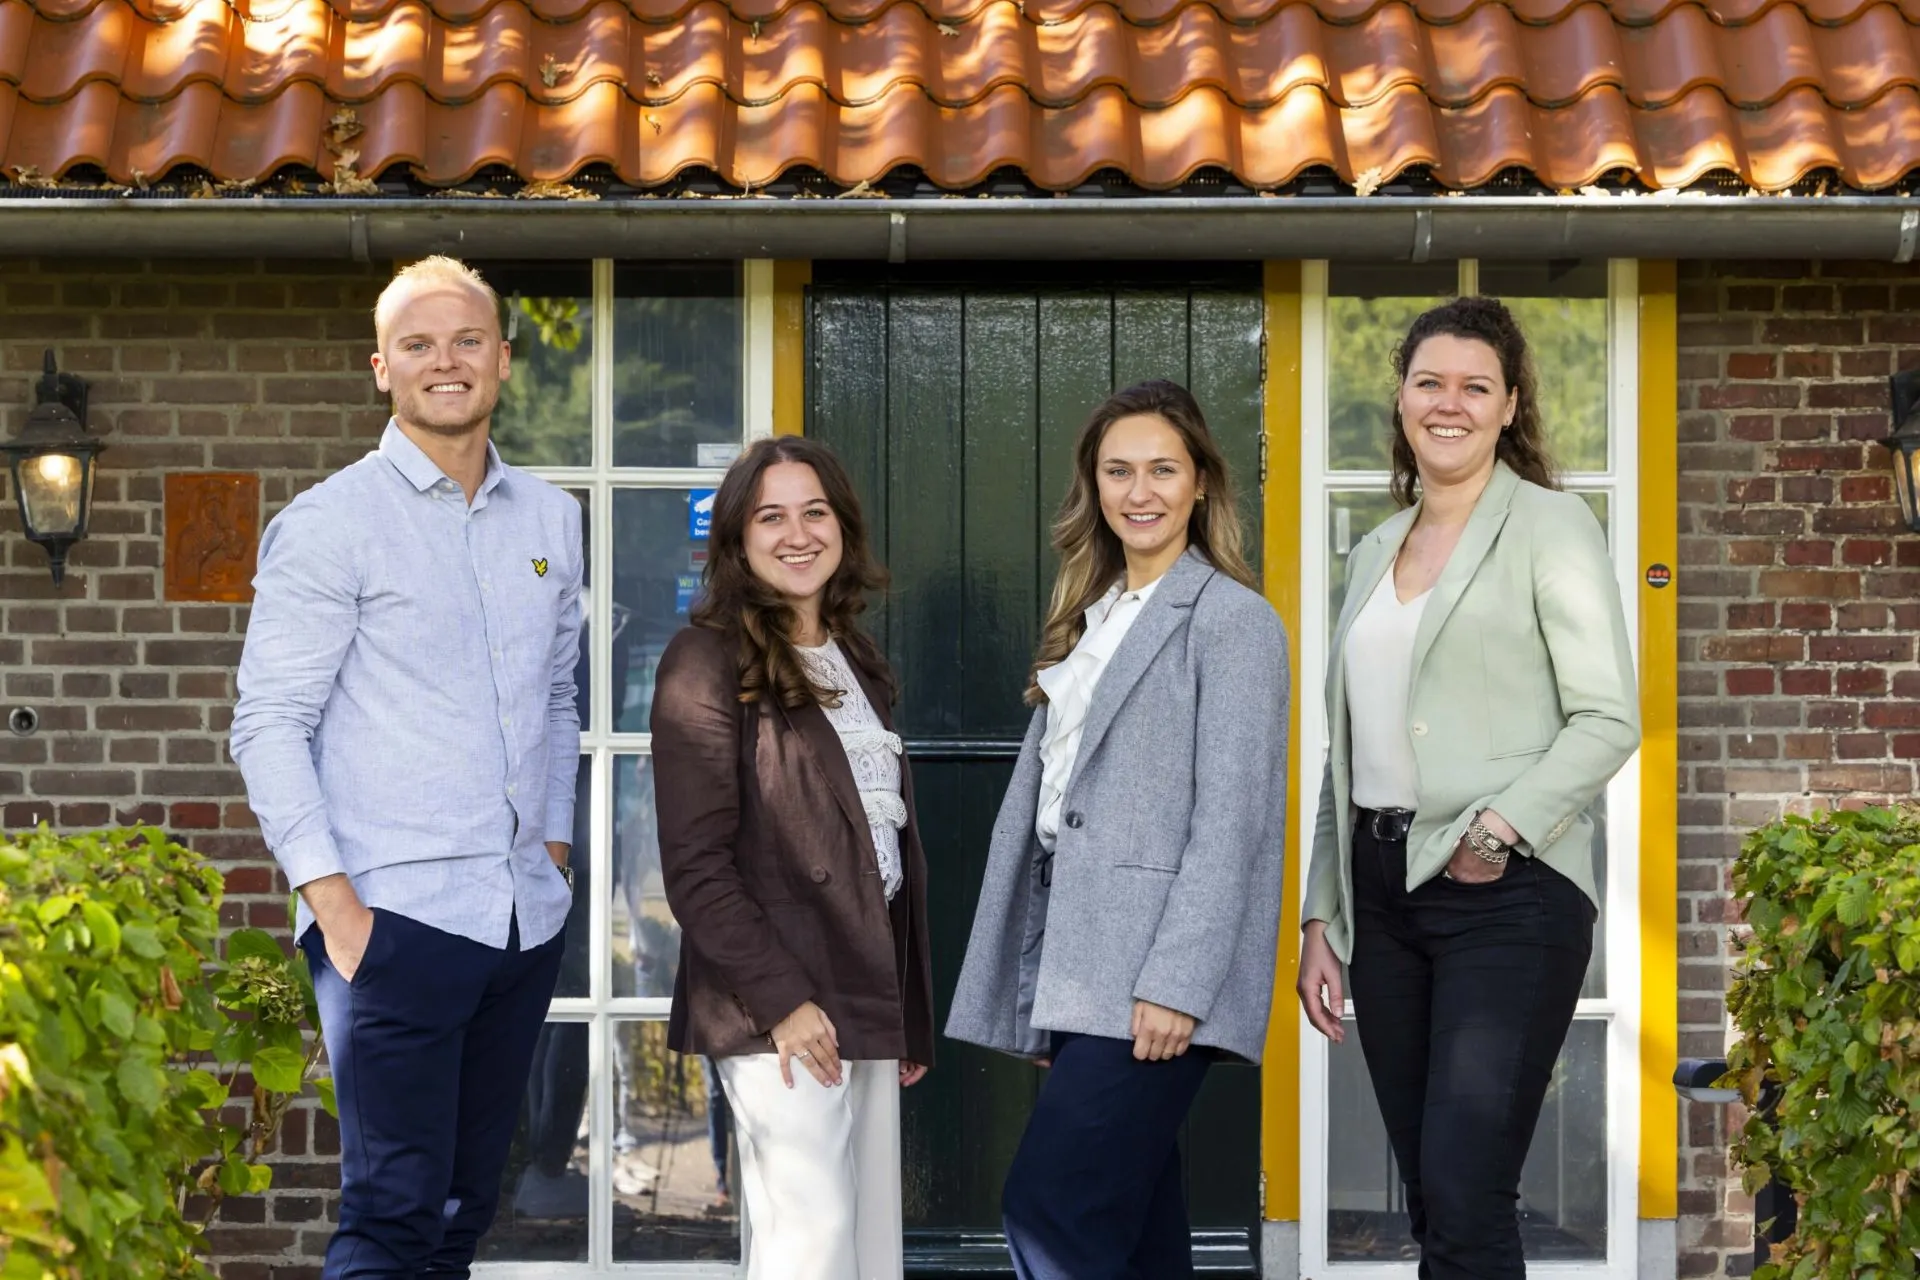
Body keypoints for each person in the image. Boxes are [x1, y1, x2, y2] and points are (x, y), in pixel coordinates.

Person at [231, 255, 581, 1278]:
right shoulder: (330, 524)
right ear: (379, 368)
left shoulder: (553, 521)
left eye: (467, 339)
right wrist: (336, 908)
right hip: (392, 921)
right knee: (390, 1216)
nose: (446, 361)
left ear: (504, 361)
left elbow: (557, 697)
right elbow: (268, 724)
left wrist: (552, 848)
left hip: (520, 917)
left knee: (465, 1214)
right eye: (418, 344)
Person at [1295, 296, 1639, 1279]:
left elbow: (1608, 715)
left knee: (1466, 1184)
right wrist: (1324, 914)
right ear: (1401, 397)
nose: (1449, 403)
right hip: (1383, 891)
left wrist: (1498, 827)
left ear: (1508, 404)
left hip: (1508, 892)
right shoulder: (1370, 550)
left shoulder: (1549, 524)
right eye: (1429, 381)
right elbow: (1345, 752)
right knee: (1434, 1195)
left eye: (1474, 386)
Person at [946, 379, 1290, 1280]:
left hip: (1153, 974)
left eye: (1163, 470)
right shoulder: (1090, 621)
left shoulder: (1233, 623)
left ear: (1202, 484)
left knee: (1050, 1209)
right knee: (1137, 1231)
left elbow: (1235, 819)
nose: (1141, 492)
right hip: (1078, 960)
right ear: (1094, 488)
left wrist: (1178, 983)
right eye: (1119, 471)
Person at [651, 435, 935, 1280]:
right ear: (738, 540)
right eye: (771, 516)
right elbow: (696, 866)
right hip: (777, 1001)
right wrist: (785, 1003)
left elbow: (884, 849)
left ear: (843, 527)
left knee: (868, 1244)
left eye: (815, 512)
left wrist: (904, 1009)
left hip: (861, 986)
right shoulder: (702, 660)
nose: (796, 534)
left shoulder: (859, 663)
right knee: (807, 1246)